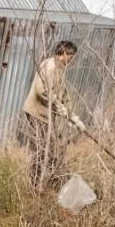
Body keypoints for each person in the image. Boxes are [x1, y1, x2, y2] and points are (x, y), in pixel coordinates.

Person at [20, 40, 86, 185]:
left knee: (53, 147)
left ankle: (50, 180)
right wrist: (57, 105)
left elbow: (64, 94)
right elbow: (41, 90)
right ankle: (35, 184)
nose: (72, 60)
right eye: (71, 56)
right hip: (37, 113)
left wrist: (72, 116)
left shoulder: (60, 67)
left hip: (46, 115)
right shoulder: (50, 66)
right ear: (63, 53)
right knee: (42, 148)